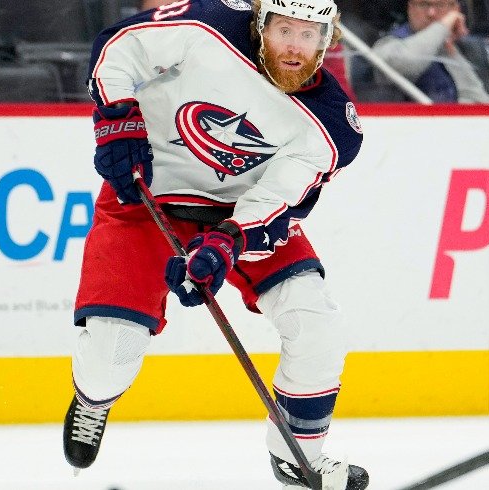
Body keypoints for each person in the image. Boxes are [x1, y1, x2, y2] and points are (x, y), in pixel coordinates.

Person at [61, 1, 369, 489]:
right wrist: (119, 116)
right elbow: (120, 48)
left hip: (239, 215)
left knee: (317, 326)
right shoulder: (209, 25)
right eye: (284, 29)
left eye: (309, 35)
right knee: (110, 357)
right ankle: (93, 400)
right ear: (259, 22)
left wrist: (228, 242)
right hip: (146, 199)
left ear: (329, 40)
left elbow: (277, 201)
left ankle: (297, 455)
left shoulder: (333, 125)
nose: (294, 45)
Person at [371, 0, 489, 104]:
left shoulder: (475, 47)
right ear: (410, 8)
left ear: (456, 8)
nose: (431, 13)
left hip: (488, 134)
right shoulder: (390, 45)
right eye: (423, 4)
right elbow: (404, 64)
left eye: (440, 5)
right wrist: (443, 25)